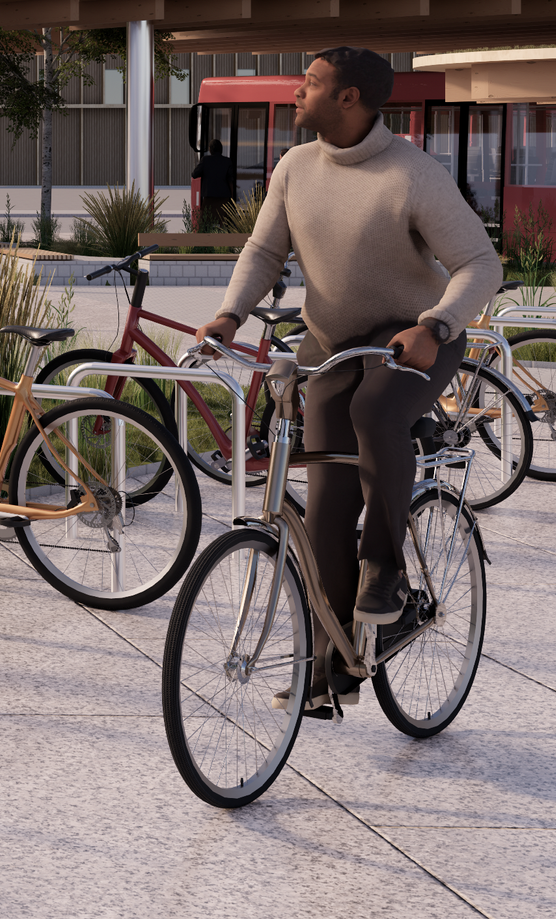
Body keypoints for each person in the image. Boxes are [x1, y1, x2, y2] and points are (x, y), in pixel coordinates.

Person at [194, 46, 496, 716]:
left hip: (411, 343)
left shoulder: (411, 173)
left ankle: (386, 571)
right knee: (328, 508)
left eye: (311, 85)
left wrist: (438, 323)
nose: (299, 94)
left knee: (376, 417)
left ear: (350, 98)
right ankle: (335, 667)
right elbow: (265, 250)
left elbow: (479, 263)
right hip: (330, 344)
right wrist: (228, 315)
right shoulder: (296, 167)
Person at [193, 138, 239, 228]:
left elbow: (194, 174)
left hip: (209, 198)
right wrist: (232, 198)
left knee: (205, 225)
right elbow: (230, 181)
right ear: (221, 150)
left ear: (210, 149)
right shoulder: (227, 161)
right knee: (224, 225)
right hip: (224, 199)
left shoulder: (205, 160)